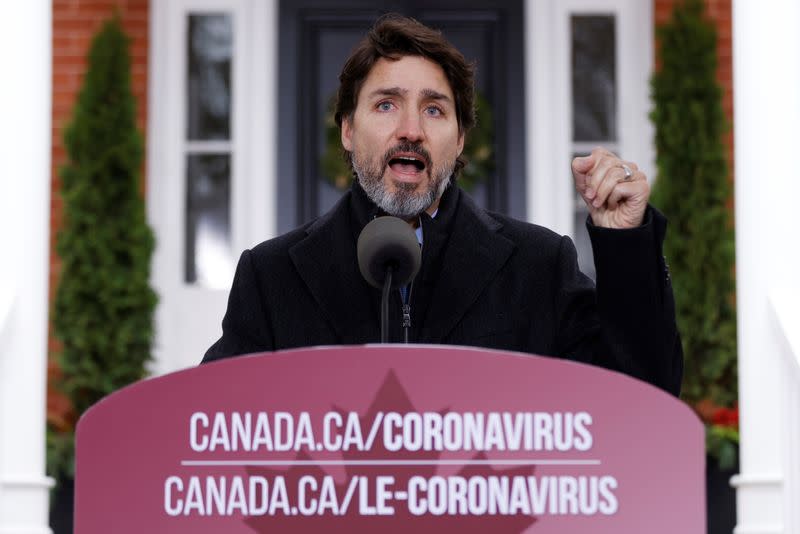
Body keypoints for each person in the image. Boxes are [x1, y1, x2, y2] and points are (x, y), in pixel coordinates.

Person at [203, 14, 682, 396]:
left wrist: (625, 242)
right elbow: (214, 426)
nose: (411, 129)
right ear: (348, 130)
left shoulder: (539, 267)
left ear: (459, 141)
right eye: (386, 104)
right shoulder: (271, 277)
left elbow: (638, 397)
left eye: (434, 109)